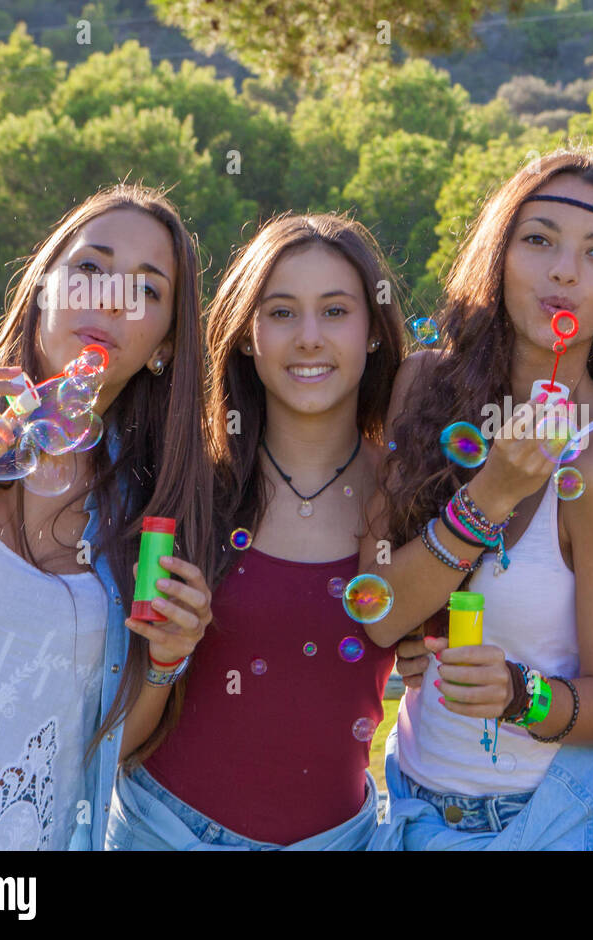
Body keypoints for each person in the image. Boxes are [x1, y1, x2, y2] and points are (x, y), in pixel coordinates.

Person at [0, 184, 215, 851]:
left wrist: (167, 662)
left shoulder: (149, 508)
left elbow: (115, 748)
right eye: (91, 268)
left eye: (147, 291)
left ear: (165, 348)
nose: (110, 300)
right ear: (42, 286)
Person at [364, 150, 593, 850]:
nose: (564, 272)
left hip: (546, 819)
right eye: (539, 239)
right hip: (408, 806)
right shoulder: (422, 386)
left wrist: (522, 694)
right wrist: (490, 494)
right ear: (499, 251)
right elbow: (376, 613)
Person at [103, 213, 404, 850]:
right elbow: (116, 738)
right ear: (245, 335)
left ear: (374, 331)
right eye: (282, 312)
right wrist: (164, 660)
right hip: (164, 831)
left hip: (340, 841)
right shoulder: (182, 484)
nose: (310, 338)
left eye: (336, 311)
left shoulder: (408, 494)